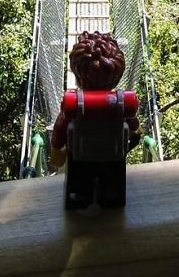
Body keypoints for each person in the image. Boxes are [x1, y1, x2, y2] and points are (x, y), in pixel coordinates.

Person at [50, 31, 141, 209]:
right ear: (117, 76)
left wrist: (57, 152)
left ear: (77, 76)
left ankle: (79, 199)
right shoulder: (122, 103)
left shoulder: (73, 105)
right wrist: (135, 135)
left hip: (80, 158)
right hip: (113, 157)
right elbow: (135, 131)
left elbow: (60, 130)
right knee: (112, 183)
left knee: (79, 184)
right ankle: (111, 198)